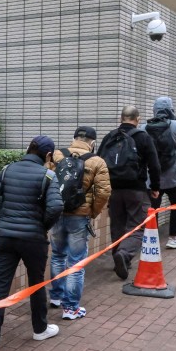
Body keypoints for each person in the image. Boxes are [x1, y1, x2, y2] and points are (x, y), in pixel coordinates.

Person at [0, 136, 64, 351]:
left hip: (4, 237)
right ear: (48, 156)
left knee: (0, 287)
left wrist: (2, 219)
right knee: (37, 283)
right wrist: (41, 226)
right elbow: (56, 206)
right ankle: (39, 330)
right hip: (33, 239)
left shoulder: (7, 170)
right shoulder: (48, 175)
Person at [49, 127, 110, 320]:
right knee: (76, 262)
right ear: (92, 142)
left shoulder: (57, 155)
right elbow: (103, 192)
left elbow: (47, 182)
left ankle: (56, 297)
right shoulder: (97, 161)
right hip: (79, 215)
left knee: (58, 255)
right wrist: (93, 211)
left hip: (57, 212)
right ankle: (71, 308)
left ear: (74, 138)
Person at [98, 106, 161, 281]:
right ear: (137, 119)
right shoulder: (143, 137)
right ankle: (124, 255)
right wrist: (155, 187)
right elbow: (154, 165)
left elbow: (98, 161)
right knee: (138, 225)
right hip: (136, 189)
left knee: (117, 224)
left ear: (121, 118)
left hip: (114, 190)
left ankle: (118, 255)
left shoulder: (110, 137)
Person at [140, 97, 176, 249]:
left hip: (152, 179)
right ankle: (173, 238)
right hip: (174, 177)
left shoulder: (144, 128)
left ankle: (151, 238)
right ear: (171, 108)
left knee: (152, 209)